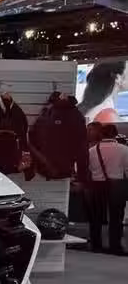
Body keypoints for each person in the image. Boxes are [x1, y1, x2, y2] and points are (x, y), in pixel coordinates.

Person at [86, 124, 128, 255]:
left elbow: (89, 169)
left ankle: (96, 245)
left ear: (101, 134)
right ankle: (115, 246)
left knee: (96, 217)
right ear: (115, 134)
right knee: (116, 217)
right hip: (117, 185)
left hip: (97, 185)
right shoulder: (124, 149)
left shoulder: (92, 150)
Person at [28, 92, 88, 181]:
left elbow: (34, 136)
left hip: (48, 165)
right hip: (63, 165)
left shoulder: (48, 113)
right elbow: (82, 144)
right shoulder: (76, 115)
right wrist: (82, 172)